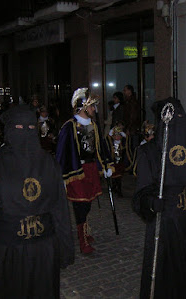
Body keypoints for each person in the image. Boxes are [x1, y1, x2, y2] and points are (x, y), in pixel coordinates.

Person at [0, 105, 74, 298]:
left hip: (44, 250)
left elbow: (60, 208)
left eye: (30, 128)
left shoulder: (48, 163)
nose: (25, 132)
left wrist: (65, 247)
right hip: (9, 250)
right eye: (18, 128)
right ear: (9, 131)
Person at [133, 97, 186, 298]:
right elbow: (140, 193)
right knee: (166, 276)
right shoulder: (149, 152)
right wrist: (151, 202)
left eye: (179, 117)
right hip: (165, 225)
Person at [56, 87, 114, 254]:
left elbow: (100, 147)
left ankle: (85, 232)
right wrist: (61, 176)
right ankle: (82, 242)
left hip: (90, 169)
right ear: (82, 107)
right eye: (91, 106)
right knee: (80, 205)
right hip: (76, 171)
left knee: (87, 204)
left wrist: (106, 164)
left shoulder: (93, 126)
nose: (94, 109)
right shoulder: (69, 127)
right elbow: (62, 152)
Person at [105, 123, 132, 197]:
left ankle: (118, 189)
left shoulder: (122, 144)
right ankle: (114, 186)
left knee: (119, 177)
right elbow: (107, 139)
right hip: (114, 162)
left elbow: (127, 140)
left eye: (119, 135)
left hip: (120, 162)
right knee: (114, 176)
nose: (117, 137)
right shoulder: (111, 144)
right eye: (116, 136)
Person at [123, 85, 141, 151]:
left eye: (125, 90)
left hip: (132, 128)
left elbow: (133, 116)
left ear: (129, 91)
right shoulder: (128, 101)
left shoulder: (132, 102)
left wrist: (129, 127)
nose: (124, 92)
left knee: (132, 147)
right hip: (131, 127)